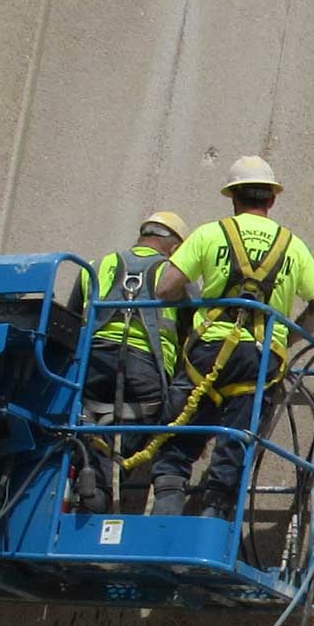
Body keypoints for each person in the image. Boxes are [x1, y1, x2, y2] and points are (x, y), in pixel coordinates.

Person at [148, 158, 314, 518]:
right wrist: (287, 339)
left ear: (233, 197)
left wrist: (196, 302)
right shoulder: (292, 246)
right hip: (260, 360)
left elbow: (164, 288)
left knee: (175, 446)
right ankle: (212, 523)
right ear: (272, 200)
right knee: (234, 447)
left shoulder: (209, 234)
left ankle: (164, 527)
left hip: (206, 354)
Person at [70, 210, 188, 515]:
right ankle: (138, 508)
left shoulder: (96, 266)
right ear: (175, 247)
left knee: (91, 429)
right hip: (145, 373)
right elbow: (193, 332)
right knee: (155, 431)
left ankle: (94, 495)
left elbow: (70, 322)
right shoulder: (175, 273)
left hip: (93, 367)